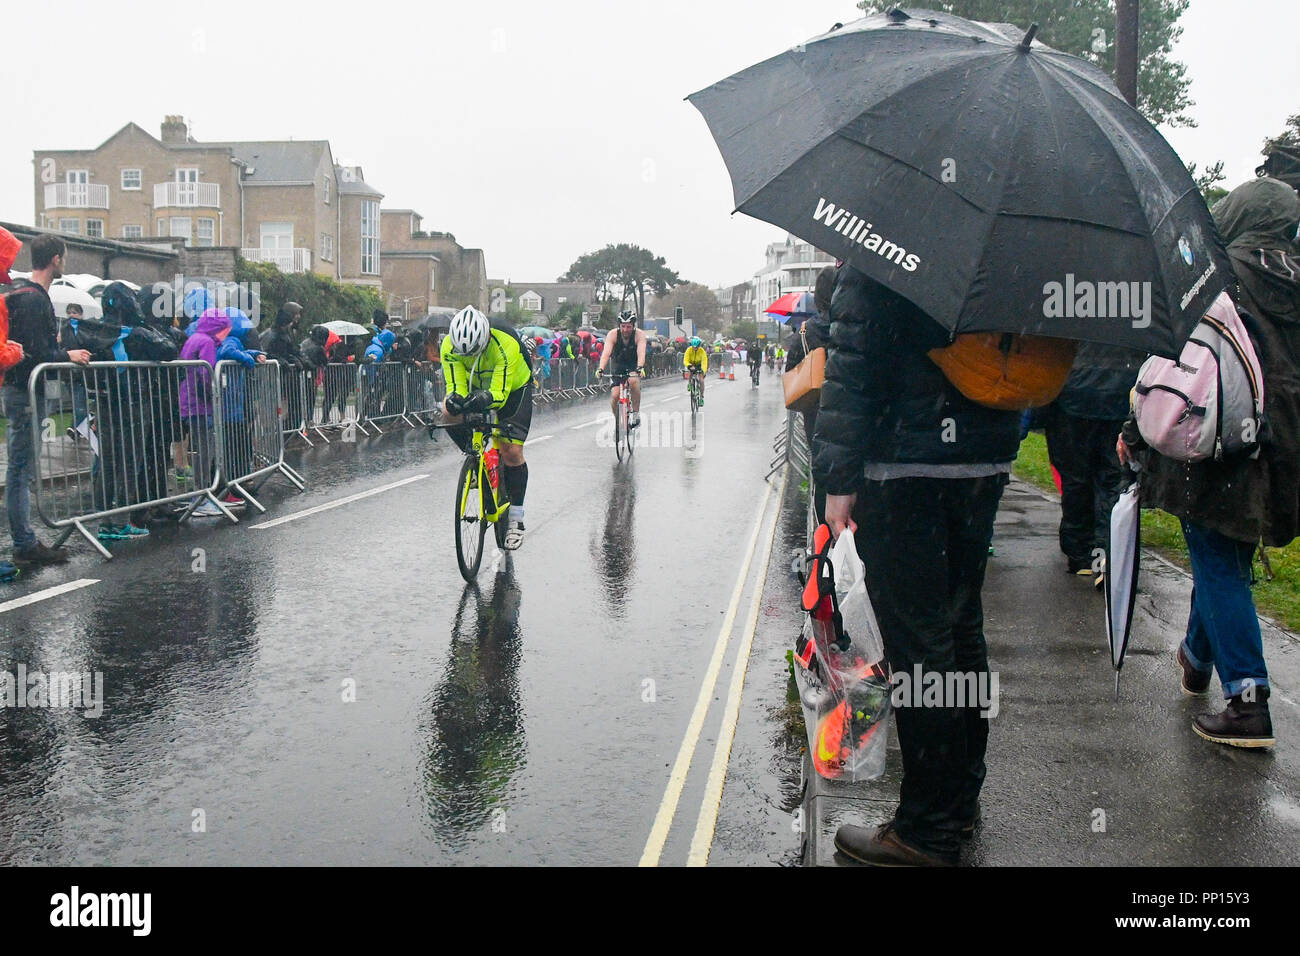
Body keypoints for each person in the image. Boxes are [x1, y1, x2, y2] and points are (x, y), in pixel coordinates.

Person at [813, 266, 1019, 866]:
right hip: (983, 458)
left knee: (922, 643)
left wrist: (839, 477)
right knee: (961, 630)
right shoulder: (999, 238)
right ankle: (958, 797)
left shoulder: (889, 238)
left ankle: (927, 829)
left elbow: (853, 363)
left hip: (905, 464)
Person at [1118, 177, 1300, 749]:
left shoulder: (1214, 280)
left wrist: (1136, 431)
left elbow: (1179, 366)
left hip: (1218, 449)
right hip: (1282, 445)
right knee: (1225, 557)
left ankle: (1248, 700)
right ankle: (1197, 656)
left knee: (1220, 563)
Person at [4, 234, 90, 566]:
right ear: (56, 259)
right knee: (21, 468)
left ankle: (25, 539)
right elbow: (35, 353)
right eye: (63, 257)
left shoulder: (22, 294)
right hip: (24, 391)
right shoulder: (34, 299)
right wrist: (66, 353)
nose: (64, 262)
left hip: (19, 390)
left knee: (22, 467)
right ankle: (24, 543)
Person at [1043, 344, 1145, 588]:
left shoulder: (1065, 309)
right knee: (1114, 479)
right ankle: (1108, 551)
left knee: (1075, 479)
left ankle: (1080, 554)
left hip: (1073, 394)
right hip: (1120, 392)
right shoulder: (1139, 309)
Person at [439, 305, 533, 550]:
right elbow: (455, 385)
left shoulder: (506, 344)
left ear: (486, 338)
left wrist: (483, 399)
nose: (469, 357)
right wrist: (456, 400)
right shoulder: (449, 346)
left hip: (514, 389)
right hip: (477, 384)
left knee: (510, 451)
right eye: (464, 354)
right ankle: (475, 457)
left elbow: (499, 394)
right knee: (448, 412)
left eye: (474, 352)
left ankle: (516, 519)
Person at [180, 307, 231, 517]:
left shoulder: (194, 338)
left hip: (189, 401)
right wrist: (213, 394)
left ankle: (200, 496)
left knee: (201, 448)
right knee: (204, 451)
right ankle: (201, 497)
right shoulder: (207, 342)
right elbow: (205, 373)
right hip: (199, 404)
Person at [596, 310, 647, 427]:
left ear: (633, 326)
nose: (625, 330)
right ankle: (618, 421)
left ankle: (635, 413)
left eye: (628, 327)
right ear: (619, 326)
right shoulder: (612, 334)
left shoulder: (639, 335)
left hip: (633, 364)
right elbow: (606, 353)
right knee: (615, 396)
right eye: (623, 326)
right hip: (618, 364)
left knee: (633, 382)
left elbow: (641, 353)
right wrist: (601, 368)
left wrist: (640, 367)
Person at [682, 335, 709, 406]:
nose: (695, 348)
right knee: (690, 372)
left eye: (696, 347)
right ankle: (690, 384)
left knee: (701, 380)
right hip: (692, 363)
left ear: (699, 346)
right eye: (693, 347)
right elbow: (685, 360)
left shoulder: (702, 351)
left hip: (700, 365)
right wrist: (689, 365)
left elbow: (704, 362)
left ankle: (701, 397)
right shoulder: (688, 350)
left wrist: (703, 370)